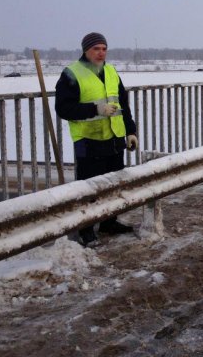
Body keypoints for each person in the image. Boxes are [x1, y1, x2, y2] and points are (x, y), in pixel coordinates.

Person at [55, 32, 139, 247]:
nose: (101, 52)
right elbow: (63, 108)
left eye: (104, 48)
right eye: (96, 49)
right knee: (88, 187)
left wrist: (131, 132)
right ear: (85, 50)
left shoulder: (111, 71)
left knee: (113, 185)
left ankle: (109, 222)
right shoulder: (72, 74)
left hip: (114, 138)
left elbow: (123, 105)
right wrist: (95, 109)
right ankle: (86, 229)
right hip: (88, 139)